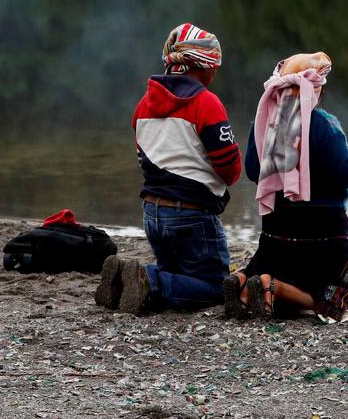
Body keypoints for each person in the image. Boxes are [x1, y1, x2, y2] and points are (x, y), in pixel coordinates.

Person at [222, 51, 348, 322]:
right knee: (335, 294)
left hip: (277, 232)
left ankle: (241, 283)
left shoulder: (264, 123)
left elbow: (253, 172)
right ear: (316, 89)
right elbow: (345, 174)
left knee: (271, 268)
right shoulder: (324, 125)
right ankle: (272, 286)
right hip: (322, 236)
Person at [94, 23, 241, 314]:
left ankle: (129, 281)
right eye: (215, 66)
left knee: (179, 277)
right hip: (192, 215)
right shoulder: (206, 103)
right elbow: (230, 168)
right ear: (205, 67)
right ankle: (148, 280)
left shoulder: (143, 105)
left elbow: (143, 159)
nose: (215, 73)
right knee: (216, 288)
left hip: (152, 213)